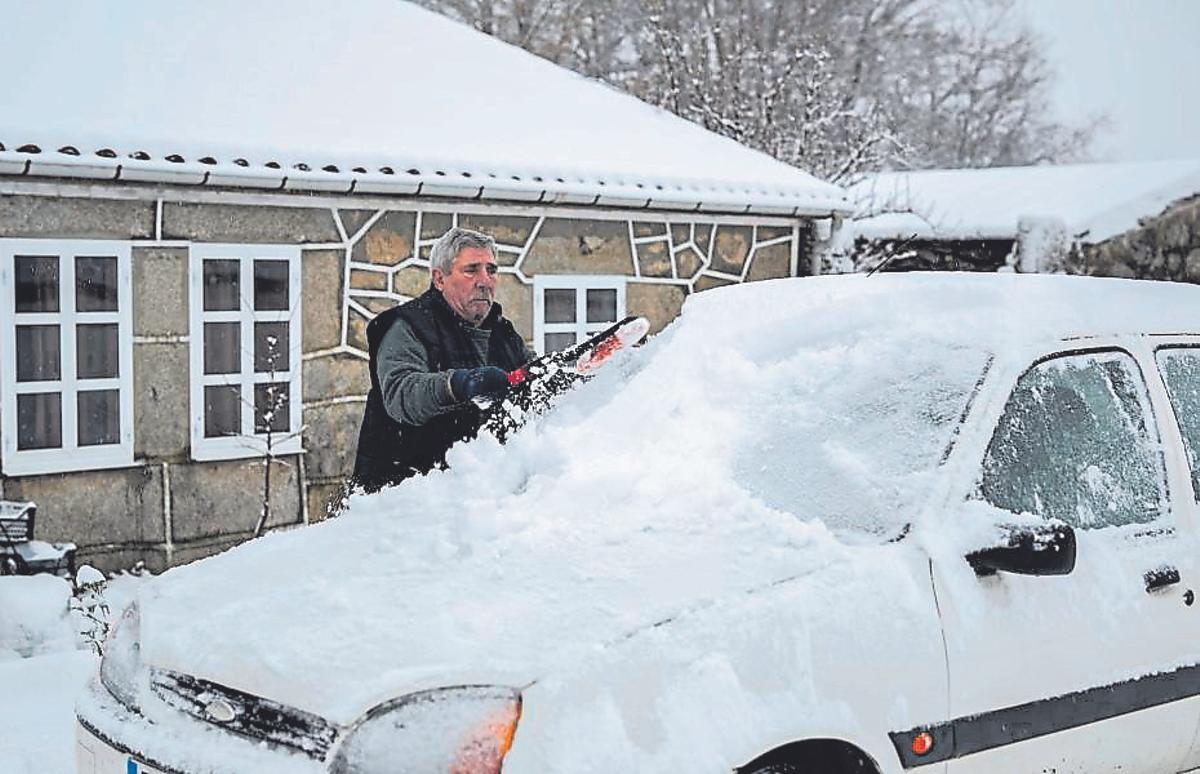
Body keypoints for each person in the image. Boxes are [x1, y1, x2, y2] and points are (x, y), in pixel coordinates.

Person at [351, 227, 535, 492]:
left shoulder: (502, 332)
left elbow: (535, 376)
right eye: (472, 270)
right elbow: (401, 395)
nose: (485, 281)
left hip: (481, 499)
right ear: (439, 279)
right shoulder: (406, 326)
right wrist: (458, 384)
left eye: (492, 270)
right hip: (402, 502)